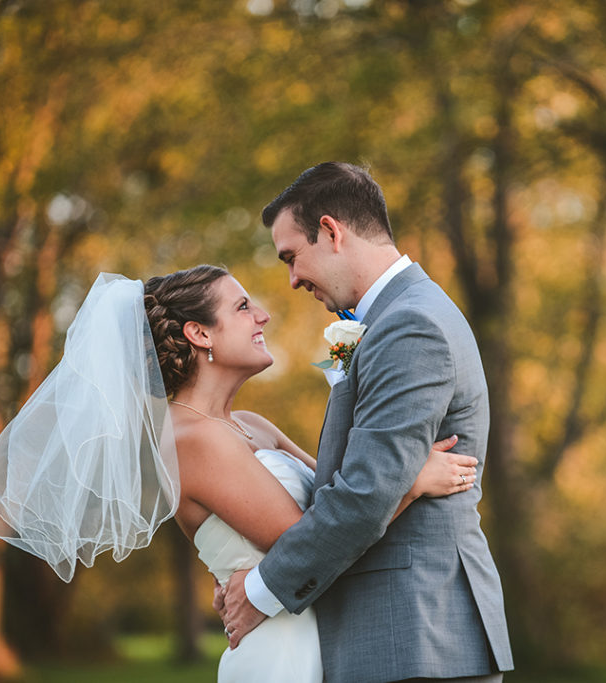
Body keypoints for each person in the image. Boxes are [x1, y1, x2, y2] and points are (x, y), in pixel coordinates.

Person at [0, 266, 479, 682]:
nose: (264, 314)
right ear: (199, 333)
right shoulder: (190, 440)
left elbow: (340, 496)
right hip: (281, 656)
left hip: (320, 640)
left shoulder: (250, 425)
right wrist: (411, 482)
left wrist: (357, 387)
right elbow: (312, 539)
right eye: (242, 307)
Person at [217, 162, 514, 682]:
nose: (291, 281)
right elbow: (353, 478)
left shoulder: (409, 326)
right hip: (401, 633)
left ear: (331, 231)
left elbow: (363, 495)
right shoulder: (388, 321)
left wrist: (261, 590)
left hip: (416, 631)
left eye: (292, 257)